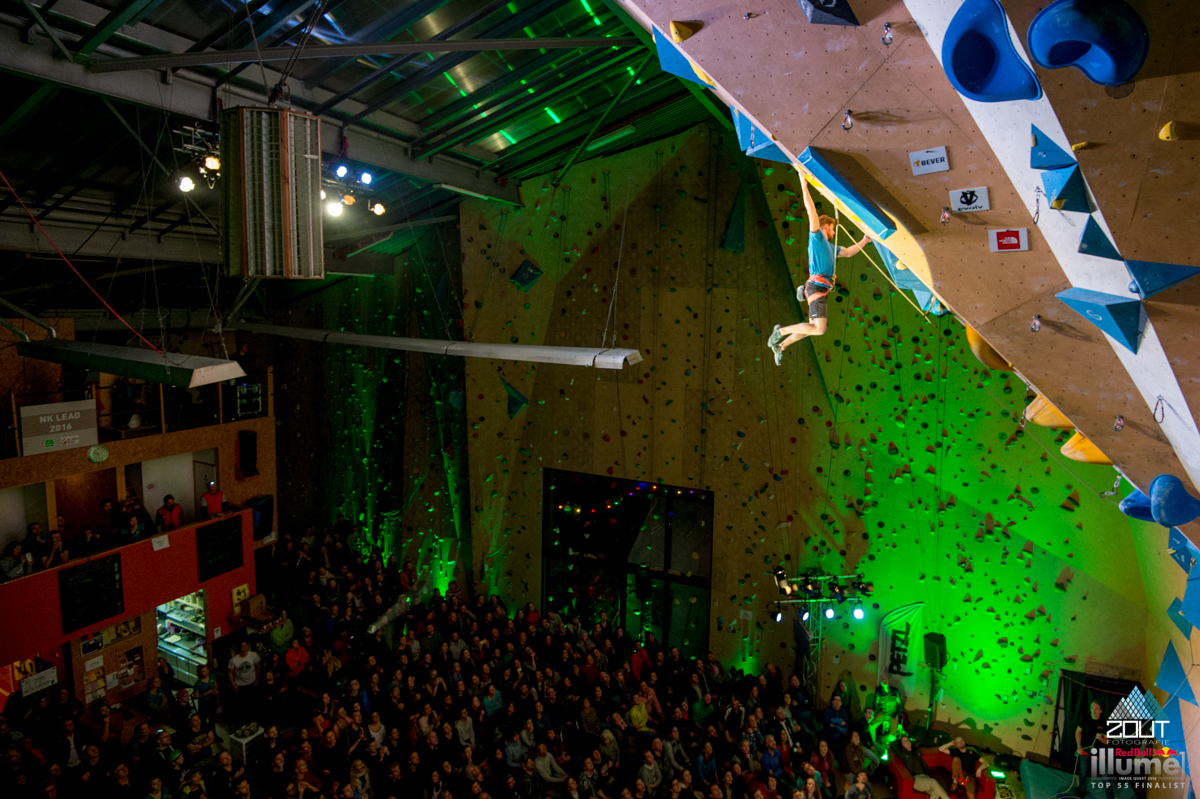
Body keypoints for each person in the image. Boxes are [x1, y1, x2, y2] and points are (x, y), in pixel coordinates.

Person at [768, 176, 869, 364]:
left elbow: (848, 252)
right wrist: (804, 185)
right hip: (815, 286)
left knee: (812, 328)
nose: (833, 233)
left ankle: (781, 345)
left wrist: (865, 241)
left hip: (819, 289)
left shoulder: (832, 248)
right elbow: (811, 212)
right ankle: (780, 332)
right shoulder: (817, 239)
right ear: (825, 226)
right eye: (832, 229)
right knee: (819, 329)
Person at [1075, 699, 1114, 799]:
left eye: (1096, 709)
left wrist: (1101, 738)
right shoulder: (1084, 717)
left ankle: (1110, 797)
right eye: (1092, 708)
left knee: (1105, 776)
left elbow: (1107, 741)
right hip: (1086, 749)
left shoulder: (1105, 722)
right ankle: (1081, 790)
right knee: (1083, 772)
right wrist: (1079, 747)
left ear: (1100, 711)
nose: (1094, 710)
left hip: (1099, 752)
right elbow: (1078, 731)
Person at [228, 641, 262, 722]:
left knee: (254, 703)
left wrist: (257, 679)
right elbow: (230, 672)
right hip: (241, 685)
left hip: (252, 683)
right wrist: (233, 684)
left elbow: (258, 667)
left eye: (246, 645)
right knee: (243, 706)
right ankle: (245, 721)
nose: (245, 647)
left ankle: (255, 720)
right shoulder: (234, 660)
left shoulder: (253, 655)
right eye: (242, 646)